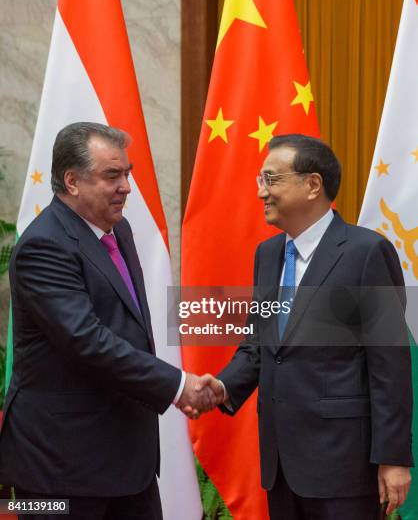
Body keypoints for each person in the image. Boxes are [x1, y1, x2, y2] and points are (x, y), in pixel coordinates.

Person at [0, 122, 216, 520]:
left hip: (127, 461)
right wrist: (178, 385)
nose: (127, 187)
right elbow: (87, 340)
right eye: (112, 175)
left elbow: (127, 327)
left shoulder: (120, 229)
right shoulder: (44, 245)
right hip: (61, 466)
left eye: (128, 173)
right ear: (72, 181)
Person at [203, 134, 413, 519]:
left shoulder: (365, 252)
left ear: (312, 184)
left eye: (270, 180)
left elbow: (389, 362)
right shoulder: (267, 254)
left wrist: (393, 458)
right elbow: (260, 344)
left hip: (344, 465)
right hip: (281, 463)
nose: (260, 193)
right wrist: (220, 388)